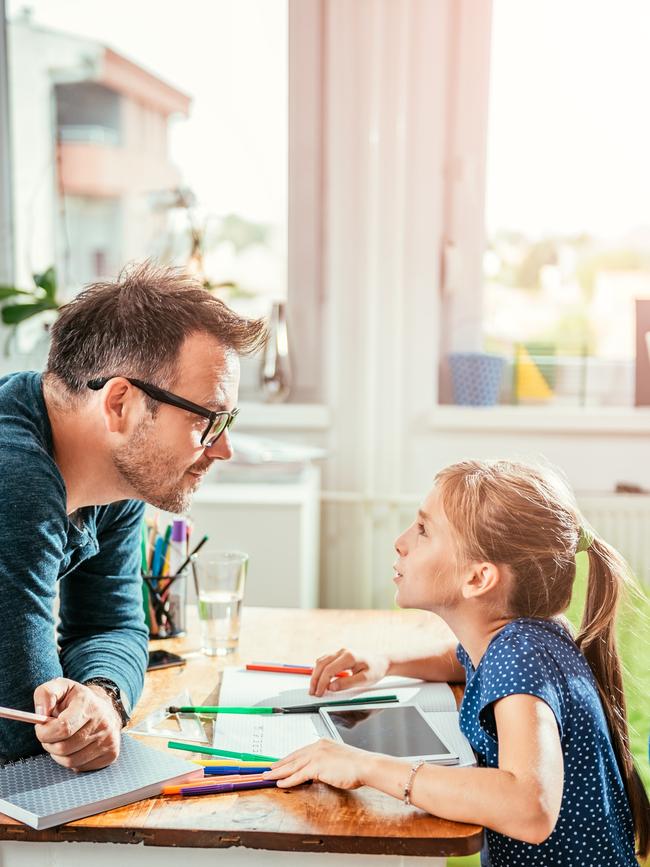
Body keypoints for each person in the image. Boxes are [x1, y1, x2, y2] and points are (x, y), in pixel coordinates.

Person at [264, 459, 650, 865]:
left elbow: (530, 807)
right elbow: (461, 660)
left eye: (424, 530)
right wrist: (386, 661)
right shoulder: (520, 637)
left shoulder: (522, 655)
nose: (401, 541)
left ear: (478, 579)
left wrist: (367, 766)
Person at [0, 261, 265, 770]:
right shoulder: (15, 478)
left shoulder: (113, 477)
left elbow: (113, 624)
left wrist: (102, 698)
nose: (223, 448)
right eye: (206, 420)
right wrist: (70, 719)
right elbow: (22, 724)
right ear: (120, 403)